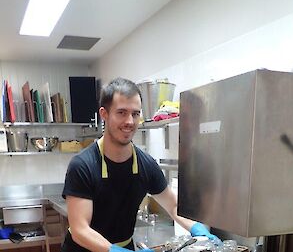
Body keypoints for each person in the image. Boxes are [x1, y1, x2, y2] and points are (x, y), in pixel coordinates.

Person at [61, 77, 220, 252]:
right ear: (104, 114)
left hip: (125, 246)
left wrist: (198, 229)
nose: (130, 121)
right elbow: (80, 230)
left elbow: (174, 206)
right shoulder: (83, 166)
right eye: (121, 112)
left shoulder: (146, 165)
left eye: (135, 114)